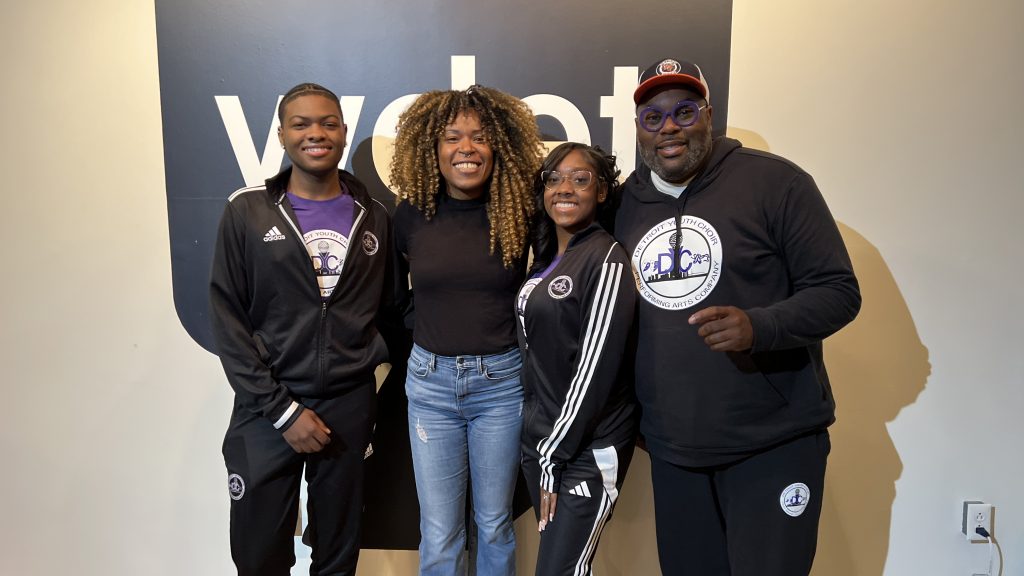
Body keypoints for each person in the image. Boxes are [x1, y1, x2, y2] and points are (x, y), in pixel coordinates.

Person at [614, 58, 862, 575]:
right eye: (653, 118)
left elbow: (838, 291)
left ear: (709, 114)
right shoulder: (623, 205)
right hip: (674, 448)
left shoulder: (776, 183)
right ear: (638, 128)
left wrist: (760, 327)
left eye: (684, 111)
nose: (670, 129)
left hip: (772, 442)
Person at [210, 82, 392, 575]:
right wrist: (283, 411)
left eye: (328, 123)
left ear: (343, 130)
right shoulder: (246, 211)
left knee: (337, 556)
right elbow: (228, 321)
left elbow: (391, 310)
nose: (316, 133)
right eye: (302, 123)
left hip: (348, 408)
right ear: (282, 134)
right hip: (267, 407)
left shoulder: (373, 216)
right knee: (258, 555)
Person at [389, 85, 544, 576]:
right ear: (432, 147)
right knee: (439, 529)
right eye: (452, 137)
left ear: (499, 145)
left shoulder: (520, 210)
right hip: (430, 386)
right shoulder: (412, 213)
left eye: (479, 137)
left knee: (495, 521)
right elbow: (395, 300)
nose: (466, 149)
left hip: (501, 385)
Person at [516, 143, 638, 575]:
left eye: (580, 179)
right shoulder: (549, 259)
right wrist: (540, 448)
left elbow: (594, 370)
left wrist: (552, 454)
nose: (565, 188)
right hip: (545, 445)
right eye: (554, 179)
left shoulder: (606, 260)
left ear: (602, 192)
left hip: (585, 449)